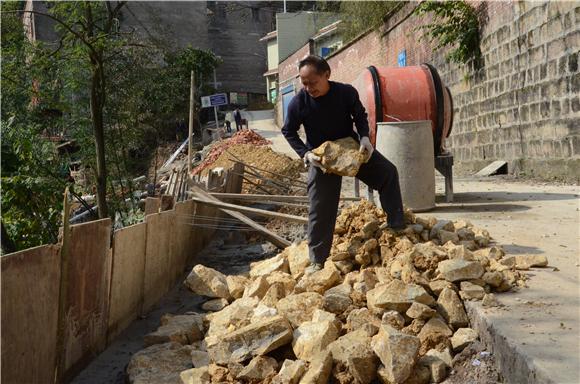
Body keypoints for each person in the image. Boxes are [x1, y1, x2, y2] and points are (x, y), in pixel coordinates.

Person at [281, 55, 405, 273]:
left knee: (388, 173)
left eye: (313, 82)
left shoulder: (345, 92)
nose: (309, 88)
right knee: (320, 208)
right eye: (304, 83)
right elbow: (288, 131)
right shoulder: (299, 102)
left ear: (326, 75)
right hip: (323, 158)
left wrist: (365, 137)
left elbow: (359, 114)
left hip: (350, 148)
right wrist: (306, 153)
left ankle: (396, 225)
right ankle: (317, 260)